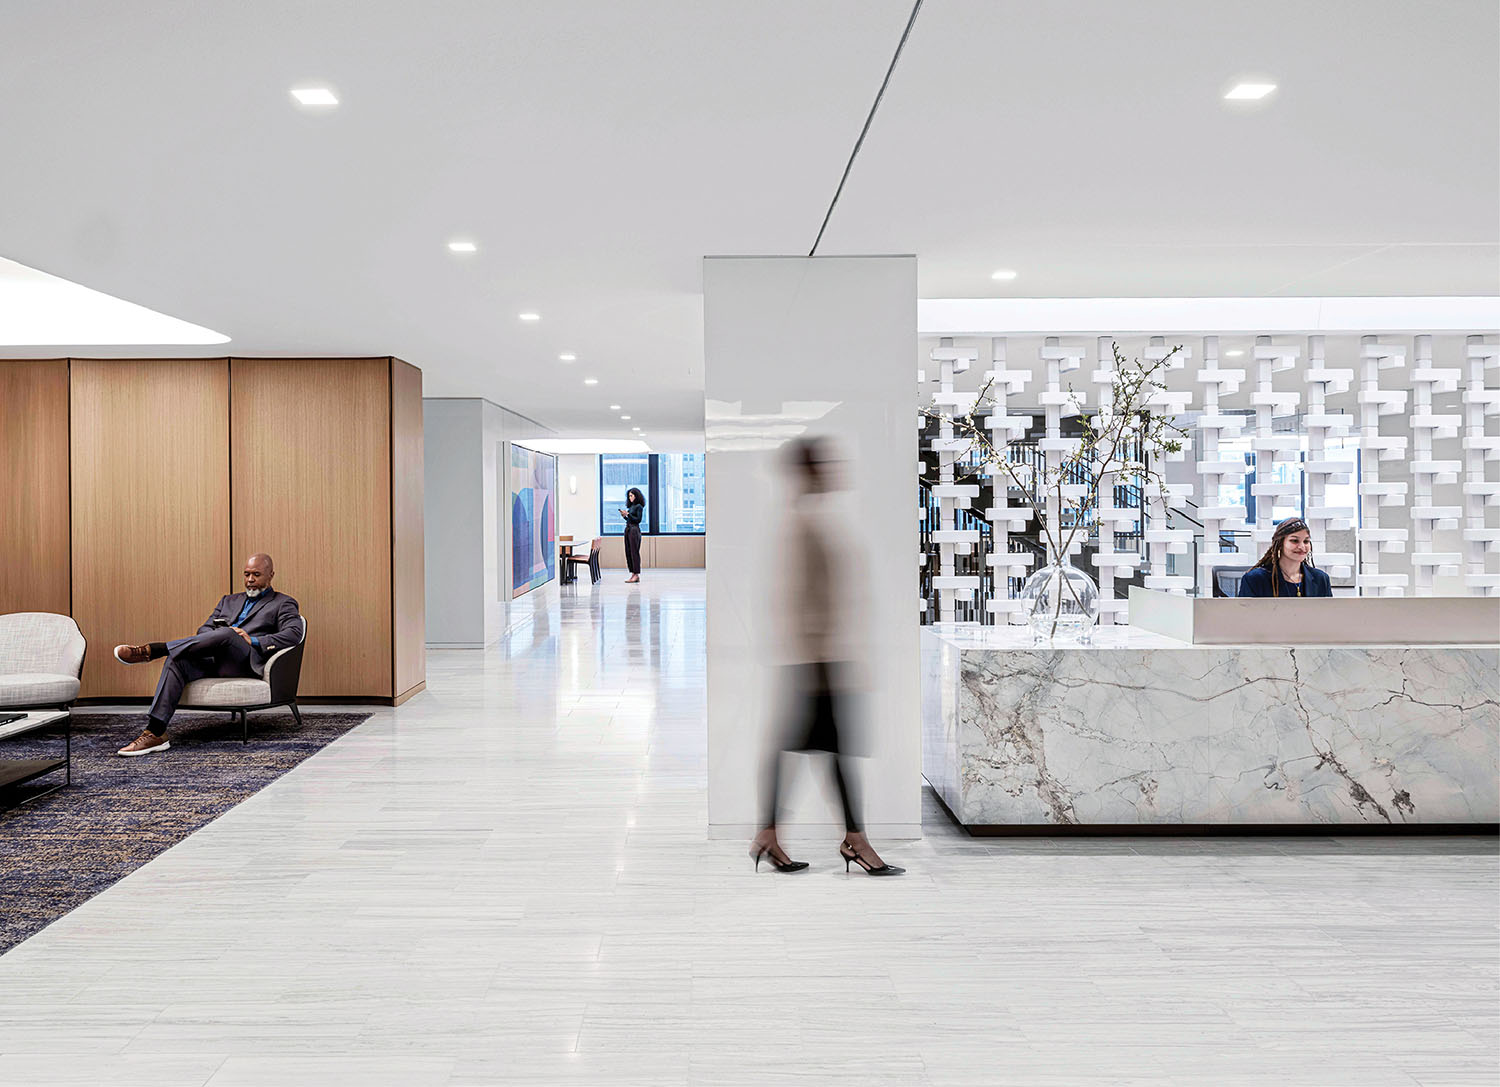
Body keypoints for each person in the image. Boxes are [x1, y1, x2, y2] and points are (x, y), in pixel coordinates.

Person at [751, 437, 904, 877]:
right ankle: (849, 840)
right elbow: (801, 598)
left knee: (813, 748)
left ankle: (773, 834)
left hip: (816, 658)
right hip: (816, 661)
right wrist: (825, 660)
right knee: (827, 749)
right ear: (812, 471)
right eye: (827, 465)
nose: (837, 472)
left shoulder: (807, 519)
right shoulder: (804, 524)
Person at [113, 553, 304, 755]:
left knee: (229, 634)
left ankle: (154, 650)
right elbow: (203, 631)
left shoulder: (283, 602)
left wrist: (252, 639)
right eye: (246, 574)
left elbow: (294, 633)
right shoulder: (228, 601)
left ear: (271, 575)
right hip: (213, 659)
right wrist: (217, 636)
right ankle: (156, 733)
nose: (250, 580)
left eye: (256, 574)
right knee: (177, 659)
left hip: (244, 662)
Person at [1236, 518, 1332, 598]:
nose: (1302, 547)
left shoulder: (1321, 579)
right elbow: (1245, 618)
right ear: (1280, 544)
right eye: (1294, 541)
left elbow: (1329, 618)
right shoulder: (1255, 579)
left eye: (1306, 541)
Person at [618, 486, 645, 583]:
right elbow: (630, 519)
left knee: (634, 552)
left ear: (636, 496)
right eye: (629, 496)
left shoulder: (639, 507)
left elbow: (638, 520)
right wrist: (625, 516)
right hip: (628, 529)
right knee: (628, 552)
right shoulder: (631, 507)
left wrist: (629, 514)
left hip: (634, 530)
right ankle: (633, 573)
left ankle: (636, 574)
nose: (630, 498)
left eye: (631, 495)